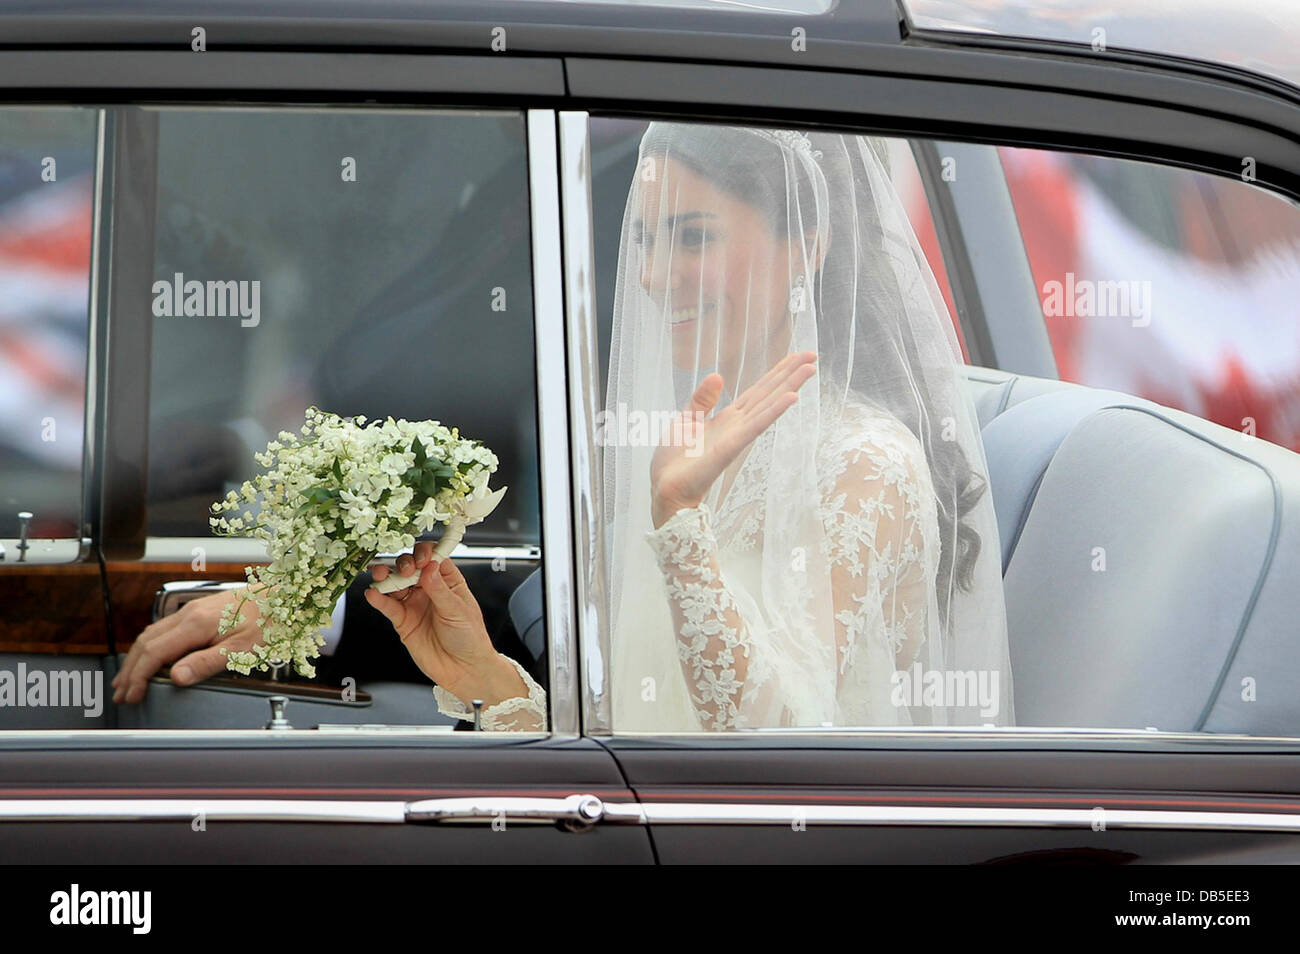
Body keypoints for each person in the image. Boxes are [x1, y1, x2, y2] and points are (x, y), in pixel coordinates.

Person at [116, 122, 1015, 733]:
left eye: (694, 238)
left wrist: (679, 524)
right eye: (647, 244)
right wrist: (488, 684)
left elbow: (769, 755)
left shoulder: (867, 466)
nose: (659, 278)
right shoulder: (691, 449)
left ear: (807, 244)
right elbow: (639, 753)